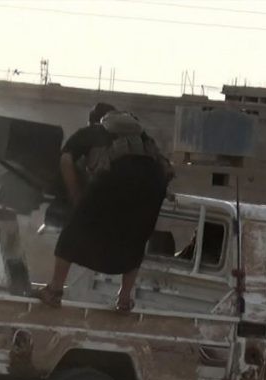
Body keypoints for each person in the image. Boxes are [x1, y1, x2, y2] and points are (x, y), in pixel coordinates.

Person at [34, 105, 170, 312]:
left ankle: (54, 290)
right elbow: (163, 165)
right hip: (154, 183)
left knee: (72, 230)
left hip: (117, 176)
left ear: (95, 121)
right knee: (137, 236)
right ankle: (124, 299)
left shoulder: (91, 131)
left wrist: (76, 197)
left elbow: (65, 160)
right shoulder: (141, 136)